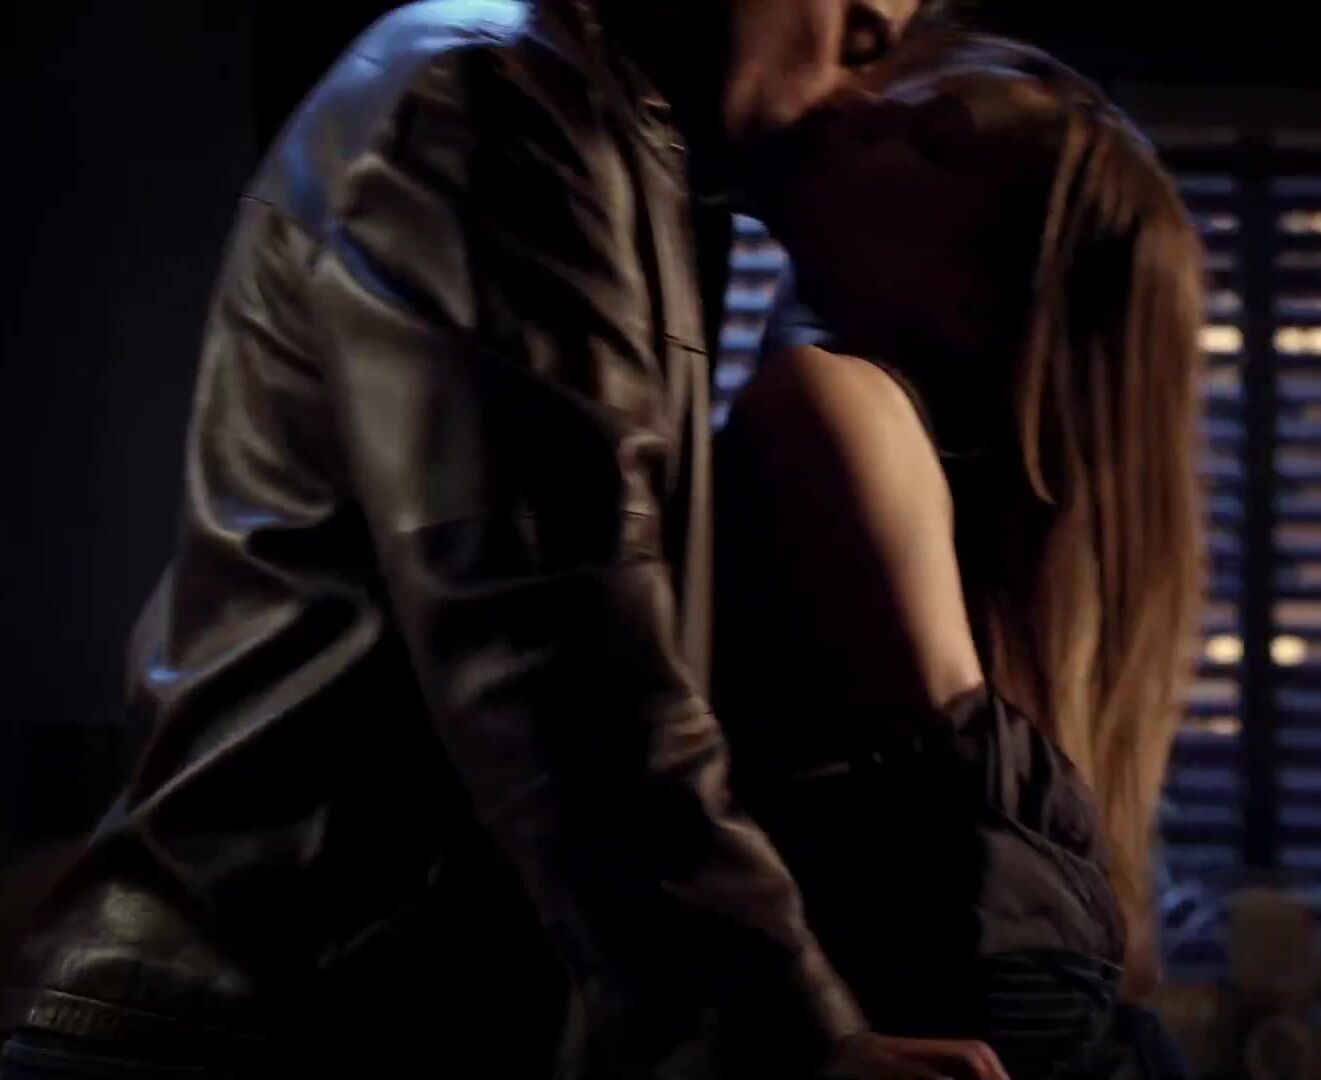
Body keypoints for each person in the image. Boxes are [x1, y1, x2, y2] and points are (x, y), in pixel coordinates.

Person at [0, 2, 1009, 1079]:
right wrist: (798, 1043)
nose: (861, 71)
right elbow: (558, 653)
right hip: (254, 1029)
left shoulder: (611, 141)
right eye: (859, 23)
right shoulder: (484, 96)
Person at [711, 32, 1206, 1079]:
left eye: (931, 142)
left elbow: (1019, 961)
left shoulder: (832, 407)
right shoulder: (961, 542)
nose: (854, 105)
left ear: (976, 303)